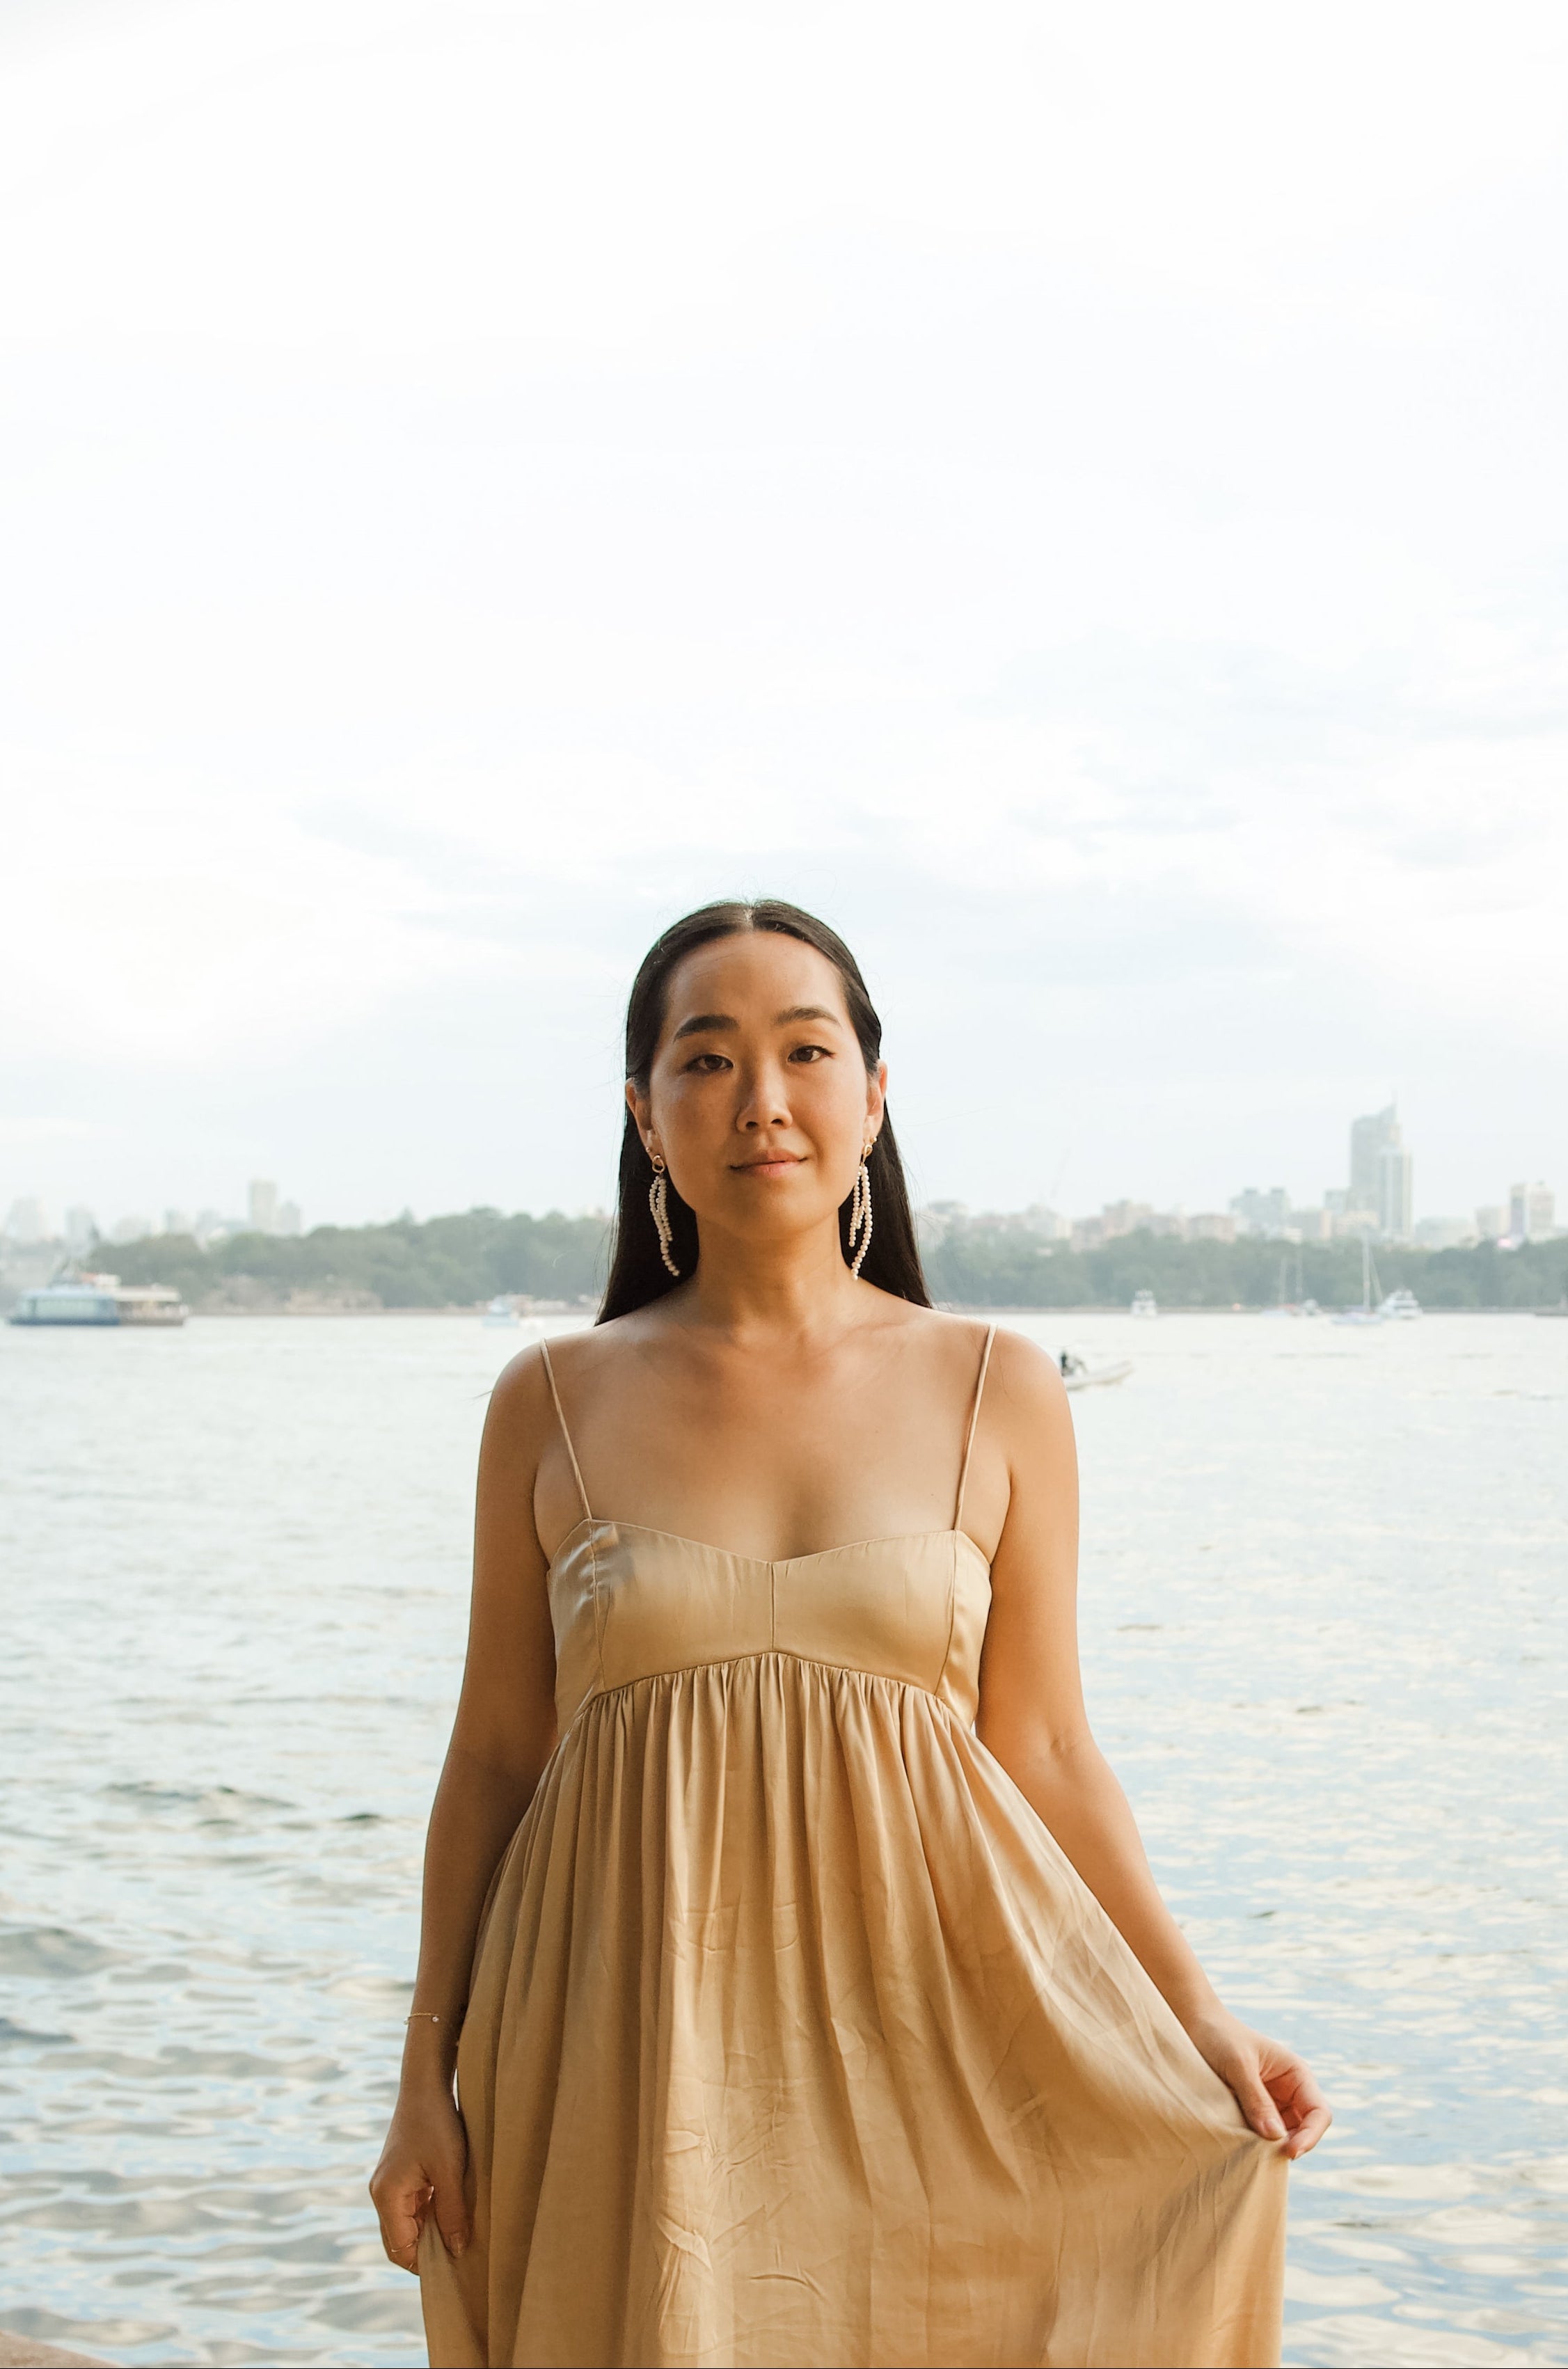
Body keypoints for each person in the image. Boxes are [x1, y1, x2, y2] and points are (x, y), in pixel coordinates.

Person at [370, 898, 1328, 2369]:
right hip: (624, 2043)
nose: (760, 1099)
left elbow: (1045, 1747)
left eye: (804, 1052)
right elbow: (495, 1756)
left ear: (873, 1097)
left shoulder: (997, 1387)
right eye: (706, 1059)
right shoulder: (549, 1400)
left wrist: (1194, 2015)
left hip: (922, 2042)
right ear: (644, 1115)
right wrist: (421, 2078)